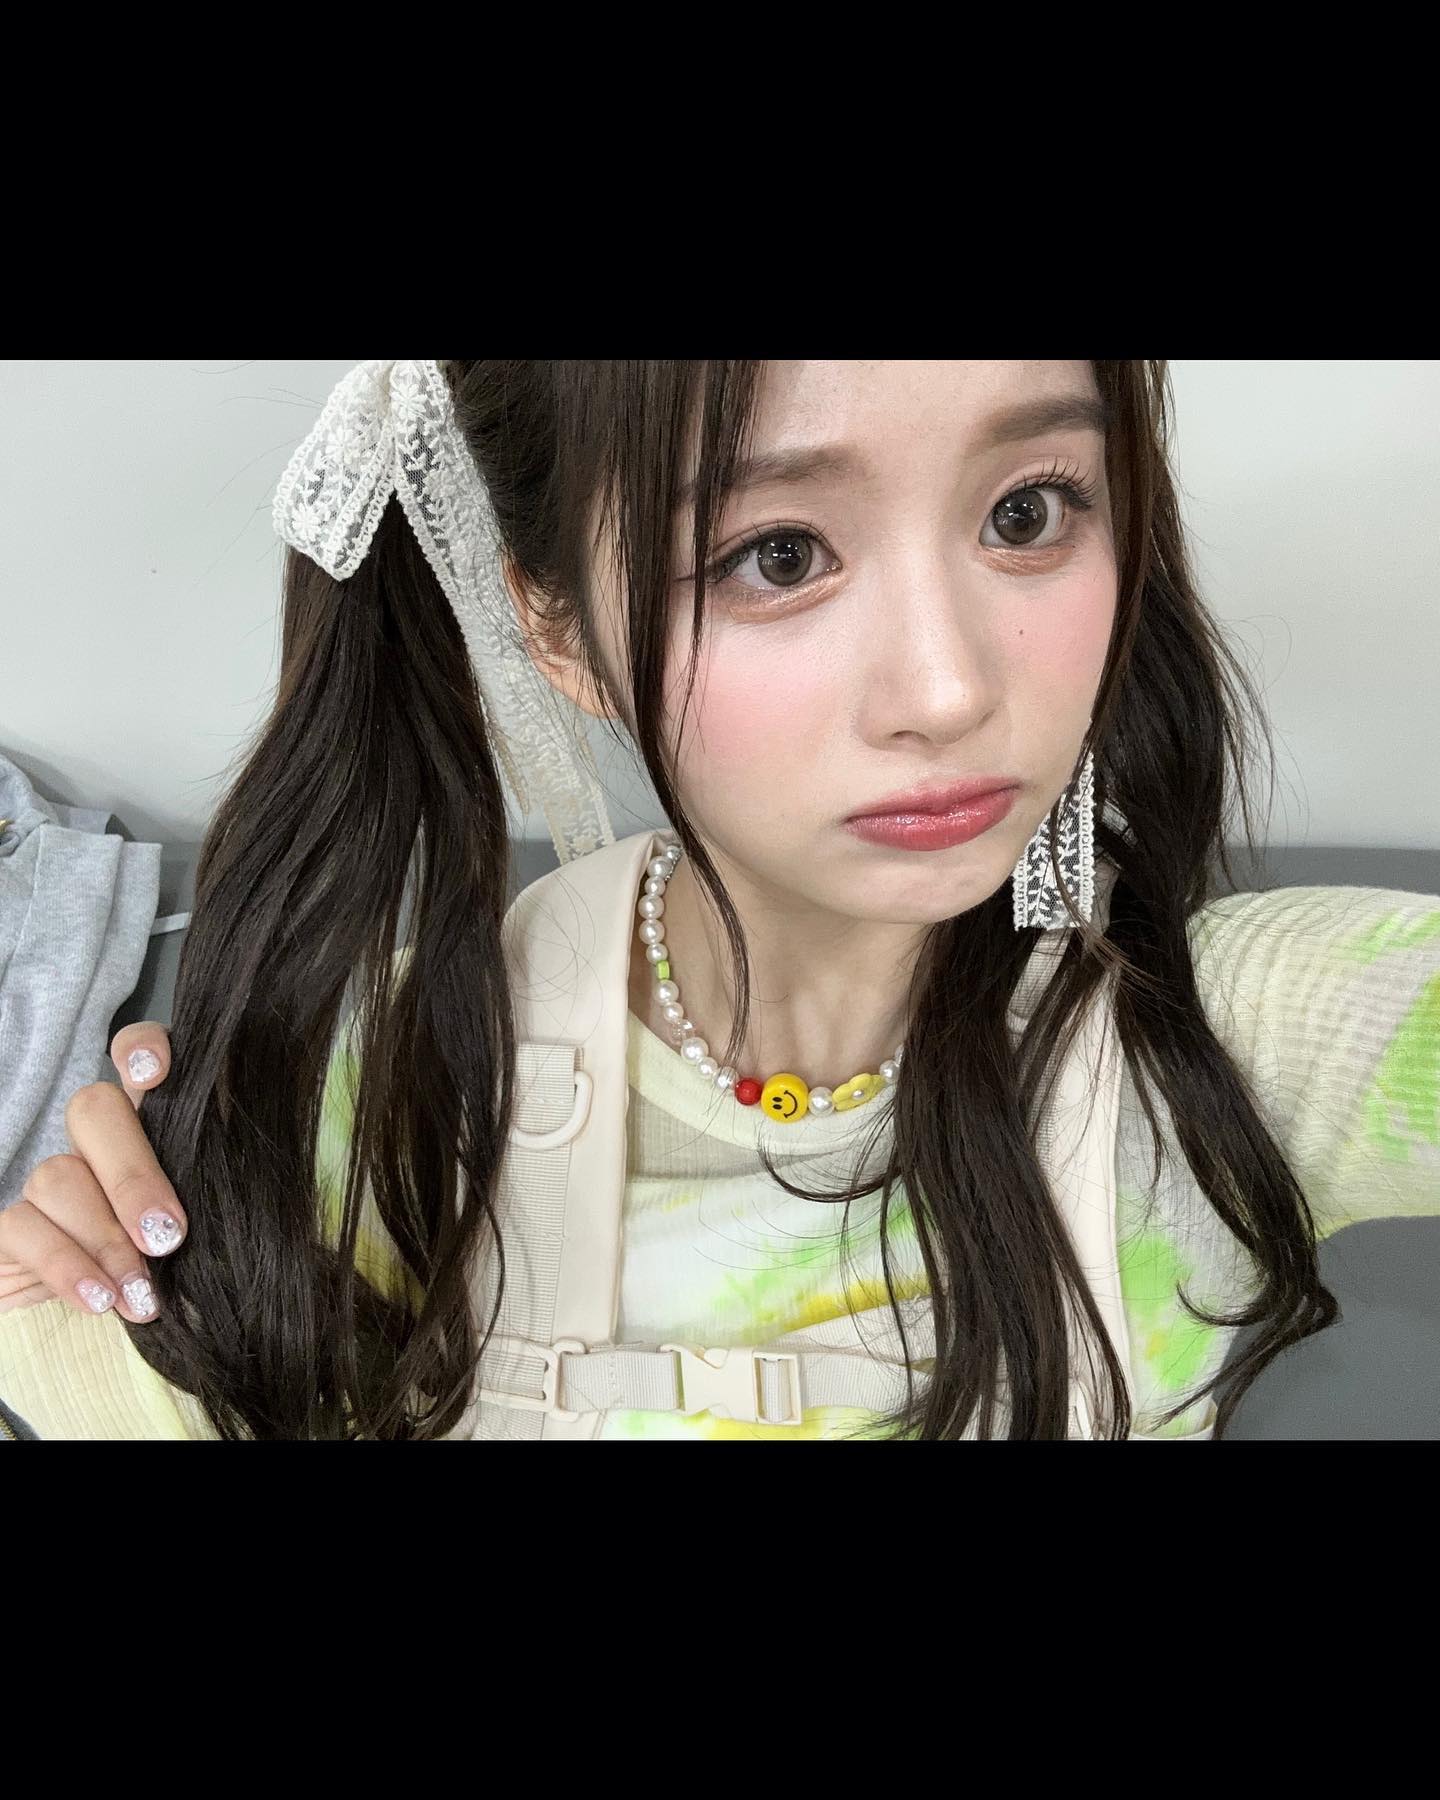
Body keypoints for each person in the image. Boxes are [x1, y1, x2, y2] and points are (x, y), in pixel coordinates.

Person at [1, 359, 1436, 1442]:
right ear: (556, 624)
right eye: (781, 554)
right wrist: (48, 1306)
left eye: (1027, 511)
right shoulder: (405, 1086)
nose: (951, 689)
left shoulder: (1230, 1036)